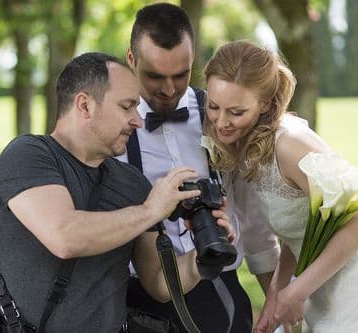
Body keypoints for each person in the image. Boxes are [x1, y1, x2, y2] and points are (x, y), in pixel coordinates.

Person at [0, 52, 233, 332]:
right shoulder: (28, 155)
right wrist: (151, 210)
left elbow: (159, 282)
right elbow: (65, 236)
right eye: (127, 107)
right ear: (85, 105)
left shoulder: (132, 183)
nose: (137, 121)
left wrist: (202, 258)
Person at [201, 40, 358, 333]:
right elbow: (299, 225)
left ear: (264, 104)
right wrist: (277, 292)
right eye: (213, 107)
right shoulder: (254, 148)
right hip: (321, 293)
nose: (221, 122)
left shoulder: (290, 145)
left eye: (236, 112)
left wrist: (297, 293)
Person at [117, 3, 280, 333]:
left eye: (181, 75)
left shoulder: (221, 118)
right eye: (155, 76)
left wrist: (277, 305)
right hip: (141, 305)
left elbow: (257, 230)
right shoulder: (113, 128)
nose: (168, 89)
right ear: (131, 60)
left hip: (222, 294)